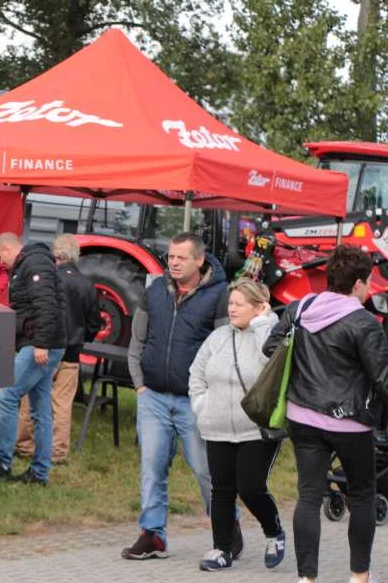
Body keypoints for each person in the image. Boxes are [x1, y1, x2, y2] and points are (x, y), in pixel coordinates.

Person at [262, 245, 388, 583]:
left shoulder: (299, 309)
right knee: (362, 495)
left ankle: (307, 579)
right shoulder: (364, 323)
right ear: (359, 282)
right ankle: (359, 576)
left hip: (302, 417)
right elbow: (383, 379)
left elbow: (271, 348)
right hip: (351, 423)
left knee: (308, 497)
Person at [122, 232, 231, 560]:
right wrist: (140, 385)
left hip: (194, 401)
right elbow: (137, 341)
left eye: (181, 257)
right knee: (152, 466)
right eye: (170, 257)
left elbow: (224, 349)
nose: (173, 262)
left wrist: (209, 393)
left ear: (199, 260)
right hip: (153, 396)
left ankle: (227, 528)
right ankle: (152, 535)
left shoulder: (219, 295)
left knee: (204, 469)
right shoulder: (155, 290)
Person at [188, 278, 285, 572]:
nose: (231, 309)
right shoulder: (217, 338)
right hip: (216, 426)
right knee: (222, 490)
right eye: (230, 303)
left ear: (258, 307)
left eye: (238, 304)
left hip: (256, 428)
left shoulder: (270, 337)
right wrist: (202, 406)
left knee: (251, 487)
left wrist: (262, 324)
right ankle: (221, 549)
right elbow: (196, 374)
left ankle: (274, 532)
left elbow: (273, 369)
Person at [0, 233, 67, 486]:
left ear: (6, 247)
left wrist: (41, 343)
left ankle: (2, 460)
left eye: (0, 256)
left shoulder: (34, 264)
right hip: (44, 342)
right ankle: (39, 472)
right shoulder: (34, 263)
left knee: (7, 395)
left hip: (39, 344)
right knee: (40, 408)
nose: (1, 262)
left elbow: (46, 304)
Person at [16, 233, 102, 464]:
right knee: (62, 404)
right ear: (76, 255)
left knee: (29, 397)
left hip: (44, 348)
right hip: (71, 352)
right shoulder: (87, 284)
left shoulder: (48, 279)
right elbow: (95, 321)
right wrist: (82, 337)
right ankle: (57, 452)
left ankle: (25, 446)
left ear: (55, 253)